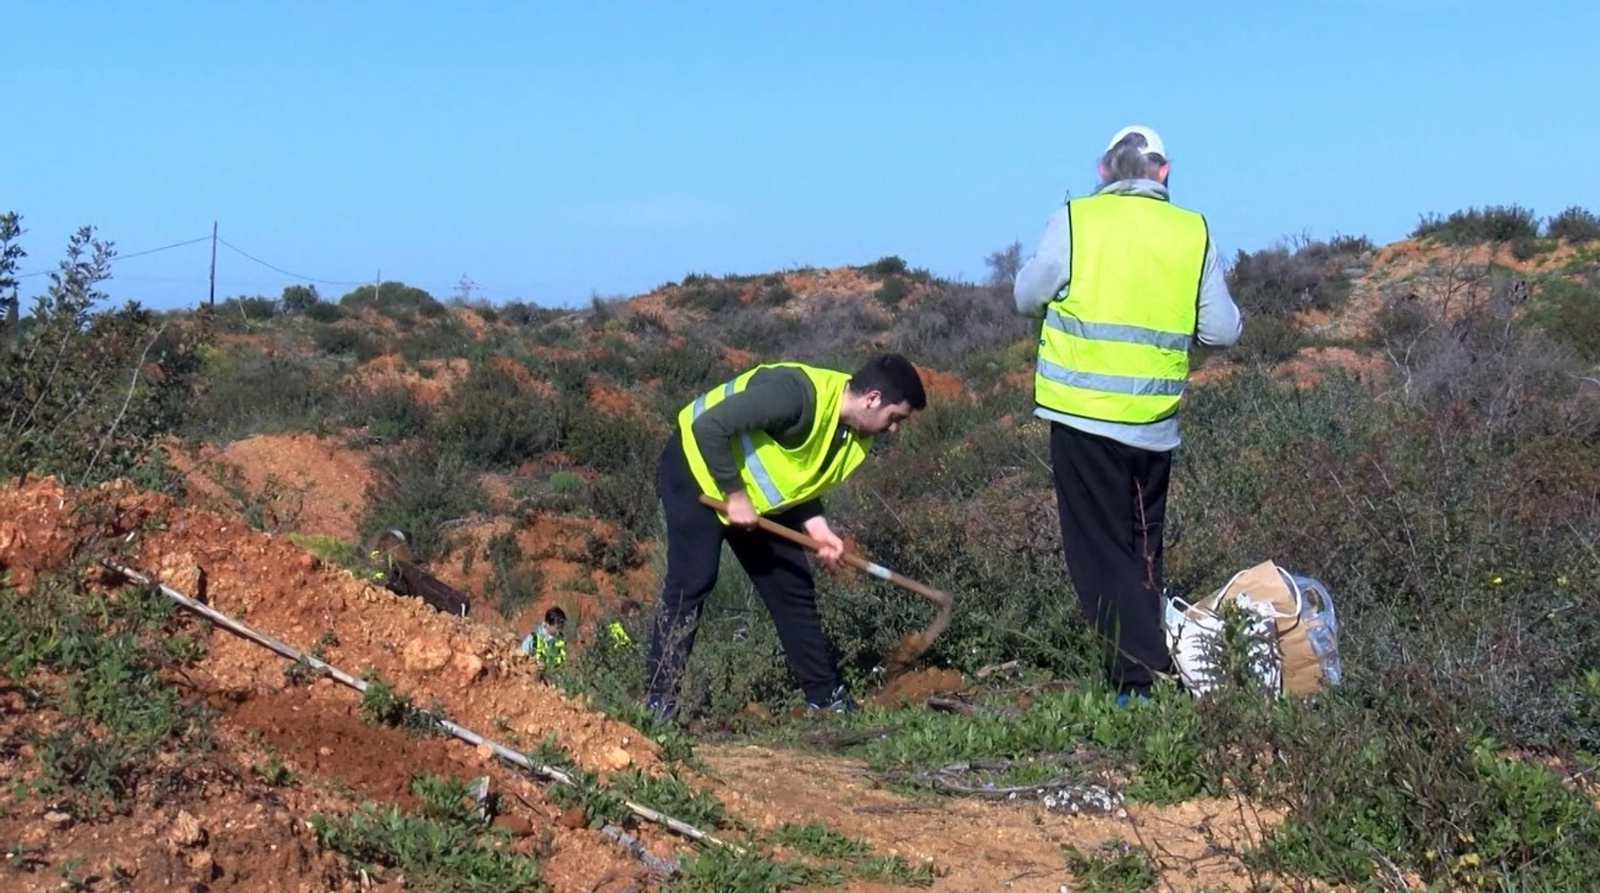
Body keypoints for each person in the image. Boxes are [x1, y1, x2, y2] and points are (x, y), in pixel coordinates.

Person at [1013, 125, 1243, 702]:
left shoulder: (1075, 219)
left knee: (1099, 552)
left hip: (1082, 415)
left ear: (1102, 172)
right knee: (1142, 546)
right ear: (1162, 172)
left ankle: (1139, 679)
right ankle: (1157, 668)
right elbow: (1222, 330)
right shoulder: (1193, 230)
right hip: (1155, 424)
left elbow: (1025, 297)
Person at [644, 354, 927, 722]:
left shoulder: (851, 431)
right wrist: (736, 495)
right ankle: (658, 702)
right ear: (872, 398)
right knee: (693, 580)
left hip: (747, 495)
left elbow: (799, 477)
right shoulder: (794, 396)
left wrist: (818, 527)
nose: (893, 429)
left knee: (792, 586)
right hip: (694, 469)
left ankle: (824, 698)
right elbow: (708, 428)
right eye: (895, 418)